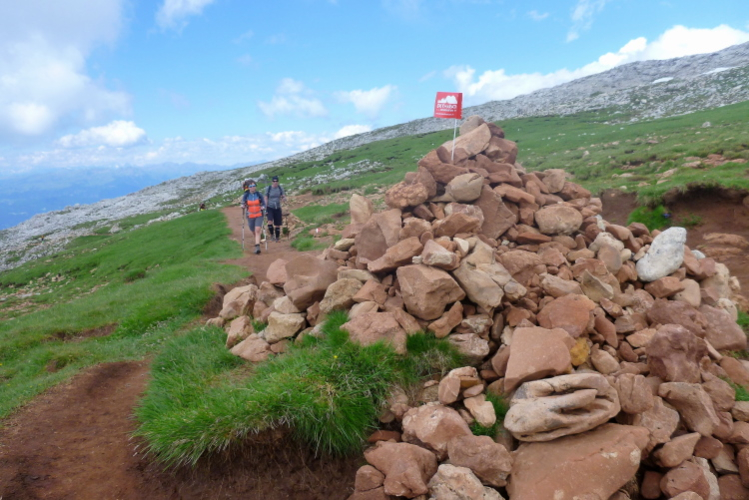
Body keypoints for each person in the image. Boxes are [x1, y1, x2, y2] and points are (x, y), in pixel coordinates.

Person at [241, 179, 266, 254]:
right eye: (251, 186)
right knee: (253, 230)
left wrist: (263, 207)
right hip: (250, 215)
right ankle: (258, 239)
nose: (252, 187)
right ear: (248, 188)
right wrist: (243, 206)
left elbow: (264, 203)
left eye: (254, 186)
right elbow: (243, 203)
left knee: (257, 230)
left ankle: (257, 247)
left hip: (259, 214)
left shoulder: (259, 194)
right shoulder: (246, 195)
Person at [264, 175, 287, 242]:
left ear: (278, 182)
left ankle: (277, 237)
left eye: (276, 181)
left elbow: (283, 195)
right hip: (270, 207)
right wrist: (265, 208)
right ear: (272, 182)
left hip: (277, 207)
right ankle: (272, 235)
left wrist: (284, 198)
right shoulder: (269, 188)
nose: (275, 182)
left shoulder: (280, 188)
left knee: (277, 224)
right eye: (274, 181)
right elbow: (266, 198)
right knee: (270, 221)